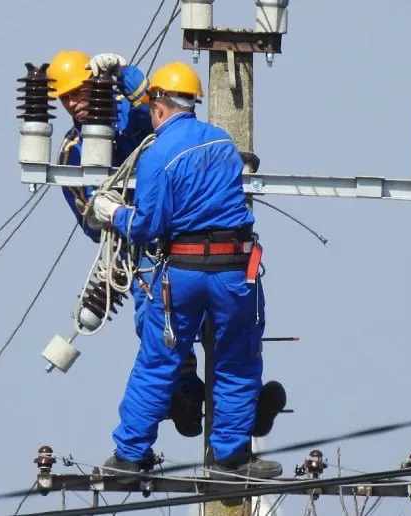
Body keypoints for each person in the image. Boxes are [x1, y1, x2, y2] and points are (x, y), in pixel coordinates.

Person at [87, 61, 284, 480]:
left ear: (158, 106)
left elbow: (149, 226)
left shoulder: (157, 154)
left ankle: (129, 456)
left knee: (159, 361)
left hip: (182, 272)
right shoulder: (222, 141)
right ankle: (232, 457)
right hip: (235, 270)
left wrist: (114, 212)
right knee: (236, 359)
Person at [47, 50, 206, 437]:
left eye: (79, 92)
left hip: (184, 234)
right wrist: (118, 222)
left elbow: (164, 106)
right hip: (140, 250)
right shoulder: (74, 151)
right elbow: (88, 214)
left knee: (211, 322)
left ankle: (222, 401)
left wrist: (125, 73)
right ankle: (185, 396)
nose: (74, 103)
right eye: (66, 98)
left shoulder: (133, 115)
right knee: (159, 328)